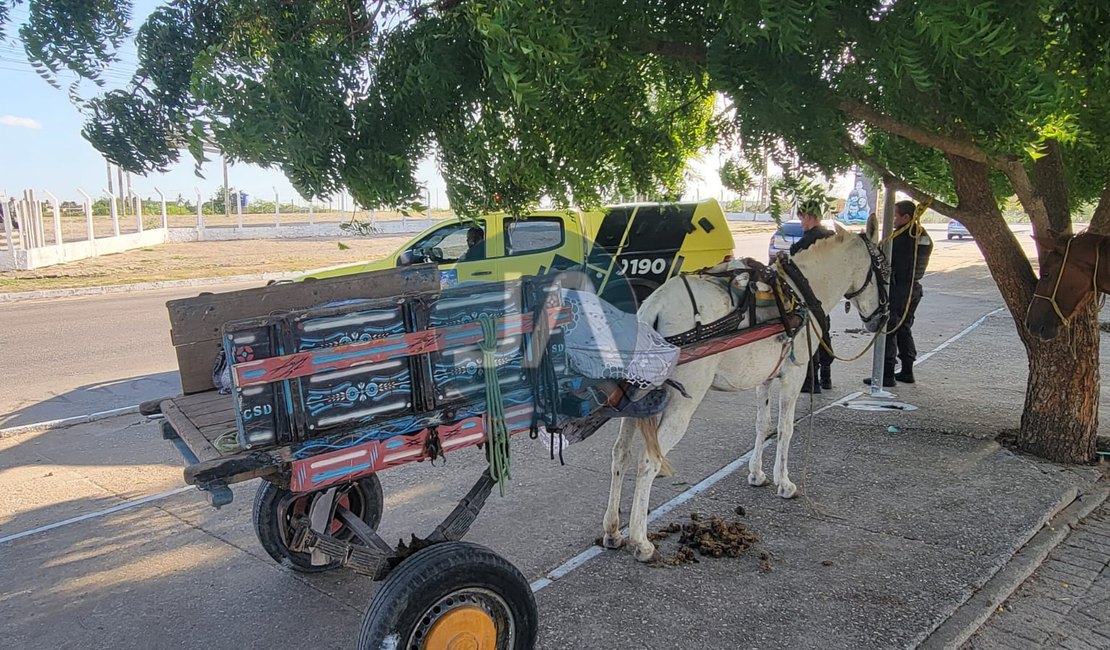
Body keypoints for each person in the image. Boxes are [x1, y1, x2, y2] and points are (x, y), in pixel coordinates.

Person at [865, 200, 933, 387]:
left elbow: (885, 260)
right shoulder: (922, 235)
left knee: (889, 329)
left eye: (895, 215)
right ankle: (907, 370)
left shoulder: (901, 237)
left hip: (899, 289)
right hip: (914, 289)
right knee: (904, 328)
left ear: (906, 217)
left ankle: (886, 374)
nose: (893, 219)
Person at [789, 202, 834, 393]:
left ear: (809, 217)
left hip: (809, 295)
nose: (801, 224)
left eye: (801, 219)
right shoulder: (832, 237)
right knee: (823, 332)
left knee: (809, 336)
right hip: (827, 295)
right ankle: (826, 377)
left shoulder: (808, 241)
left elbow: (794, 259)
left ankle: (810, 381)